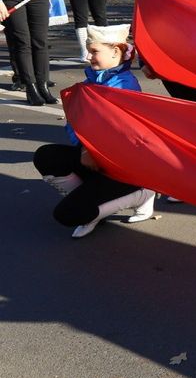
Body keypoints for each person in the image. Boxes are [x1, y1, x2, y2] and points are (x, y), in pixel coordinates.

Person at [33, 24, 157, 238]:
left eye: (94, 51)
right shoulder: (91, 81)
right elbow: (75, 124)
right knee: (46, 156)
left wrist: (90, 149)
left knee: (67, 214)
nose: (88, 56)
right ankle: (92, 205)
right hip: (96, 161)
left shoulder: (125, 87)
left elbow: (122, 135)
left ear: (116, 51)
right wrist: (84, 149)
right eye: (89, 51)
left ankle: (142, 193)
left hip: (123, 168)